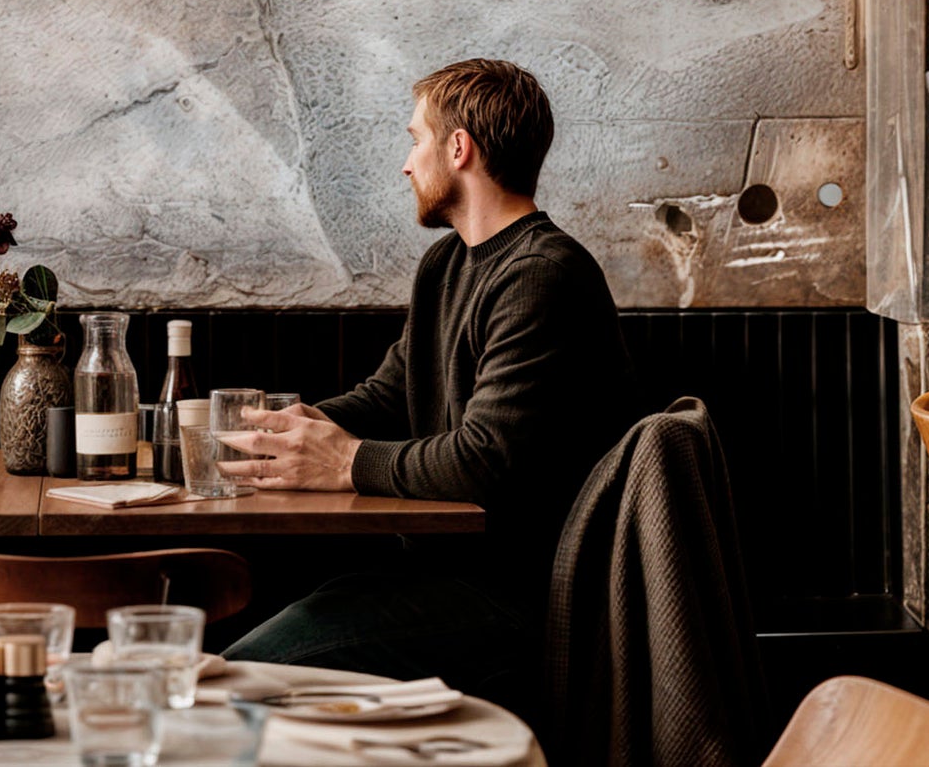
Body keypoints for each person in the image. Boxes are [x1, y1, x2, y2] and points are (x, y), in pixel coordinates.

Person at [219, 59, 634, 707]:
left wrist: (345, 461)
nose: (407, 164)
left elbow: (483, 460)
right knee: (248, 628)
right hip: (436, 572)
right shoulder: (446, 264)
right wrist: (273, 431)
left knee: (242, 675)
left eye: (416, 139)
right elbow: (389, 395)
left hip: (519, 595)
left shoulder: (543, 275)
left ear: (459, 148)